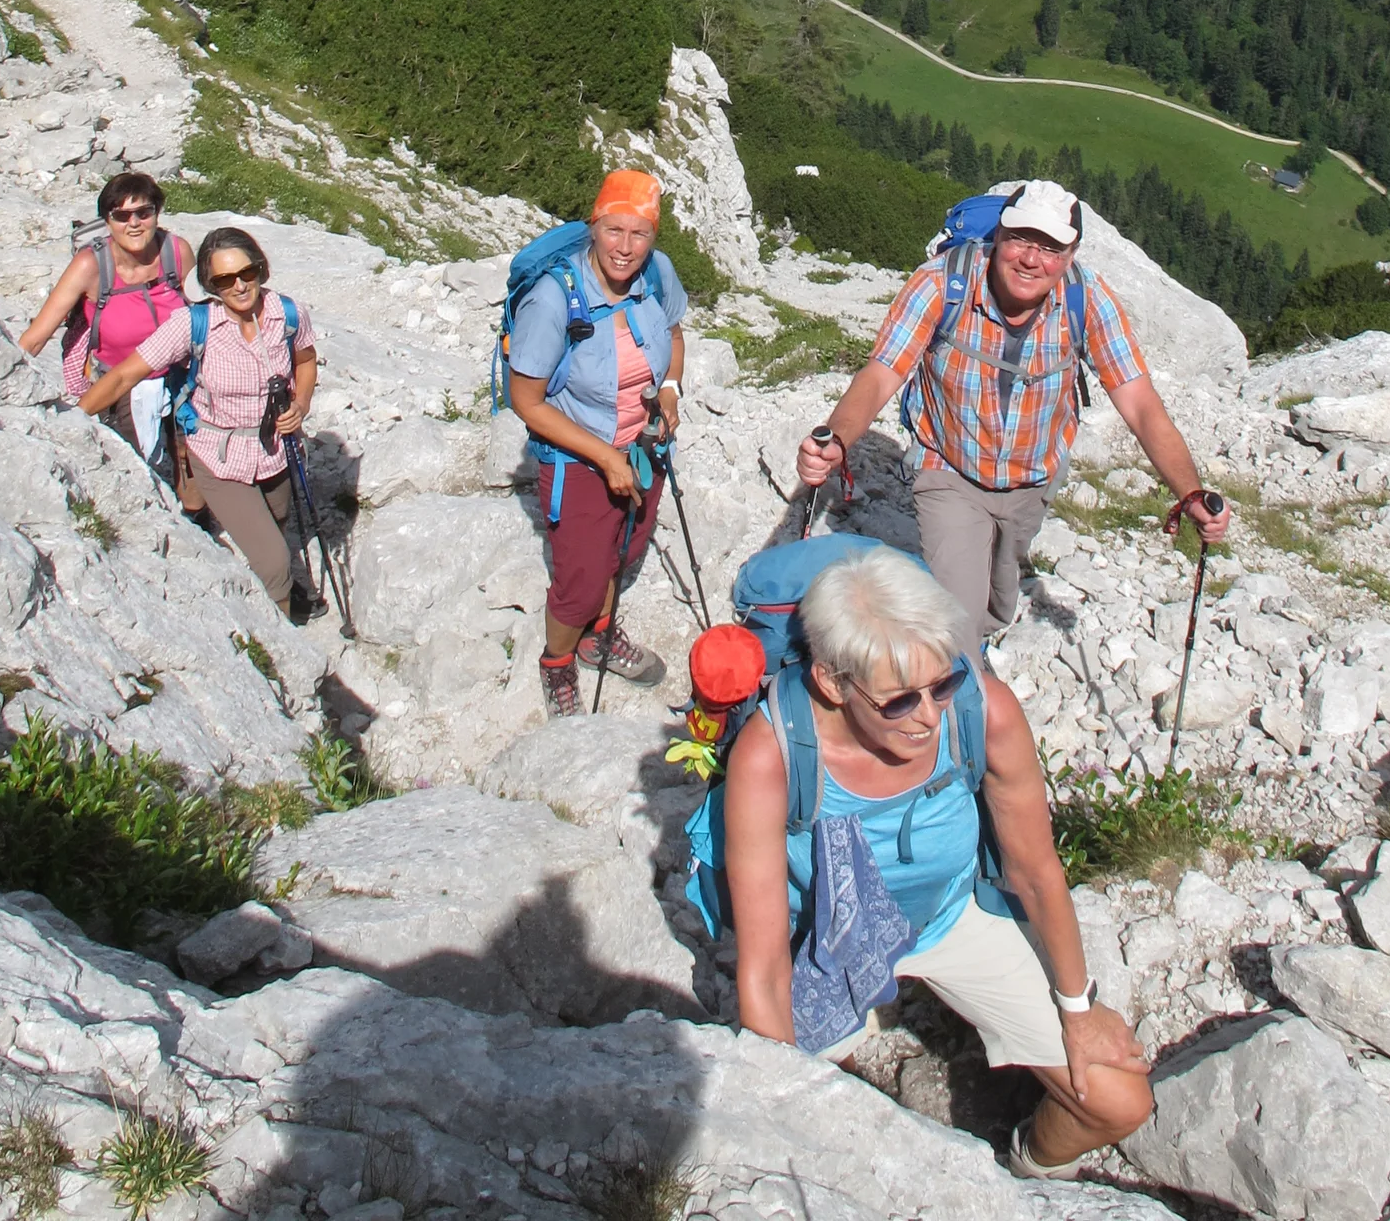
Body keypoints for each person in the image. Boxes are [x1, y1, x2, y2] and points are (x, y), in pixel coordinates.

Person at [723, 545, 1153, 1179]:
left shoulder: (984, 710)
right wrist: (785, 1117)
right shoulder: (772, 756)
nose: (928, 716)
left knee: (1118, 1102)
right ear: (832, 683)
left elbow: (1034, 871)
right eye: (898, 701)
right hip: (828, 939)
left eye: (943, 682)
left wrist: (1079, 1009)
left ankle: (1029, 1167)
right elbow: (763, 970)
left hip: (950, 915)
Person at [796, 180, 1230, 641]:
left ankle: (981, 639)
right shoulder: (942, 283)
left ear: (1071, 254)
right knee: (954, 625)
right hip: (949, 470)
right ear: (998, 235)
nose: (1030, 259)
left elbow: (1142, 406)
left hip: (1034, 477)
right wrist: (837, 439)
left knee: (999, 600)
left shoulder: (1087, 300)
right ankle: (961, 692)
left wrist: (1190, 493)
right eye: (1020, 239)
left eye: (1049, 248)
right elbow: (881, 373)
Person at [505, 168, 688, 717]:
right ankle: (557, 663)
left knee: (623, 549)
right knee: (581, 577)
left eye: (640, 234)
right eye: (614, 231)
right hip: (581, 459)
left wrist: (672, 389)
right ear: (593, 225)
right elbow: (526, 399)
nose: (626, 248)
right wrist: (605, 456)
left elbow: (675, 332)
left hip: (644, 447)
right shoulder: (552, 299)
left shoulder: (657, 273)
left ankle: (598, 636)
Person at [77, 226, 320, 623]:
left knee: (277, 524)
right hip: (218, 456)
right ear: (210, 284)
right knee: (276, 560)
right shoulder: (193, 324)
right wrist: (73, 416)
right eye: (225, 279)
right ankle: (282, 634)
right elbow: (126, 375)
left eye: (248, 272)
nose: (240, 285)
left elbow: (306, 360)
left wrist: (302, 404)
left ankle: (270, 585)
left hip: (276, 451)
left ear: (262, 269)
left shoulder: (287, 314)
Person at [19, 173, 195, 463]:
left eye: (144, 212)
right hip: (118, 384)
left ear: (156, 213)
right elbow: (37, 336)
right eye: (122, 216)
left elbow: (203, 313)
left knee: (190, 479)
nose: (134, 223)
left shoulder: (176, 252)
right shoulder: (91, 265)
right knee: (138, 462)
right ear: (107, 221)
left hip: (179, 376)